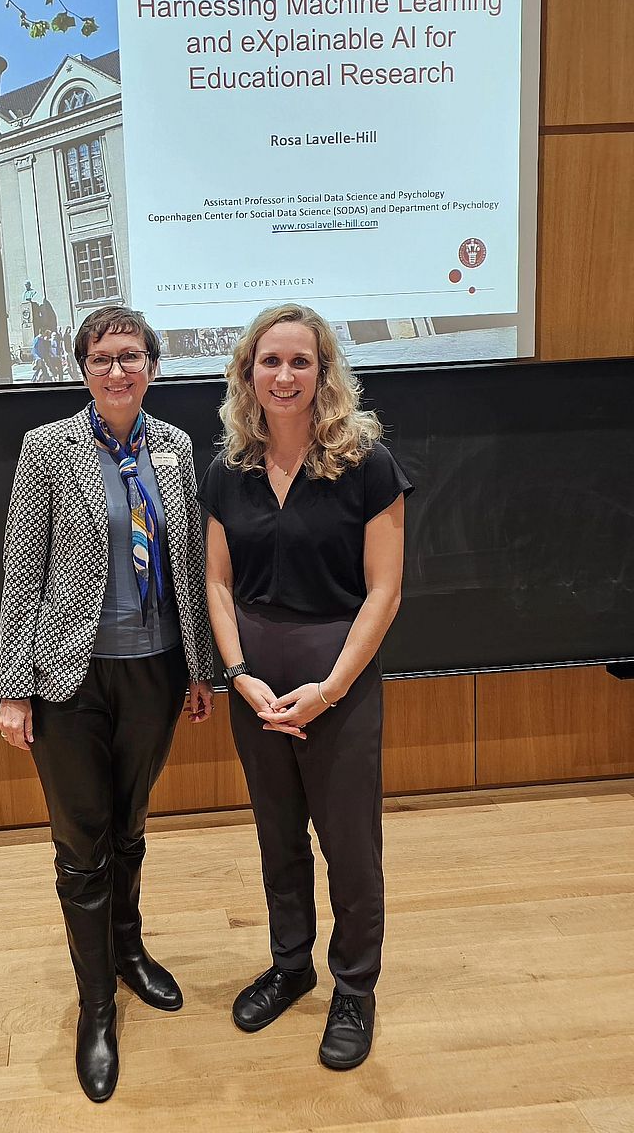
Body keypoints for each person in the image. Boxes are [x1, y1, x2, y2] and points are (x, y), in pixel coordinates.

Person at [0, 304, 215, 1102]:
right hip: (69, 677)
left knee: (129, 827)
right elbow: (23, 574)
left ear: (153, 366)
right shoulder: (47, 449)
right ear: (82, 369)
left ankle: (129, 950)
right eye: (101, 358)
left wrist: (201, 669)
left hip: (155, 672)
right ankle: (96, 1010)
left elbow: (188, 564)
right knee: (81, 844)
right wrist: (12, 686)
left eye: (130, 356)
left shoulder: (176, 447)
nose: (117, 370)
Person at [200, 303, 413, 1071]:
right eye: (269, 362)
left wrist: (328, 690)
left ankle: (354, 988)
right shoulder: (227, 470)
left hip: (339, 671)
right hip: (254, 678)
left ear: (324, 373)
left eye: (300, 362)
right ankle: (291, 965)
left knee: (350, 845)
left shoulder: (367, 463)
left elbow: (384, 592)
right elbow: (218, 586)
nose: (283, 376)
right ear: (247, 375)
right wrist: (239, 676)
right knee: (277, 833)